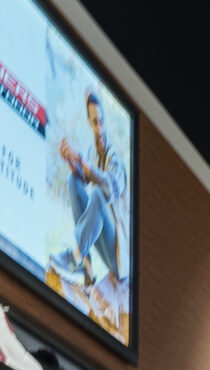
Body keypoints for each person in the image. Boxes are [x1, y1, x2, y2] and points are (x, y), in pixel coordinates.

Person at [56, 91, 126, 302]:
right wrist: (70, 160)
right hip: (102, 241)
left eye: (102, 121)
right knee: (73, 181)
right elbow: (84, 177)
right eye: (95, 123)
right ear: (90, 123)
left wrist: (79, 158)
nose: (100, 129)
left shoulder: (115, 158)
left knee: (98, 193)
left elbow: (106, 184)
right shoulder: (92, 153)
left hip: (119, 256)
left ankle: (75, 258)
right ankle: (86, 273)